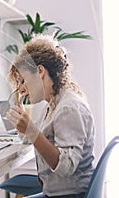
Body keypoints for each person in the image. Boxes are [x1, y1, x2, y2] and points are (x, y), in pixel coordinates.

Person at [5, 35, 95, 198]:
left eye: (23, 80)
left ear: (40, 71)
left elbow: (66, 166)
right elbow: (31, 139)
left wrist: (31, 131)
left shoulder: (68, 108)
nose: (22, 90)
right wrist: (24, 126)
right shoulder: (53, 104)